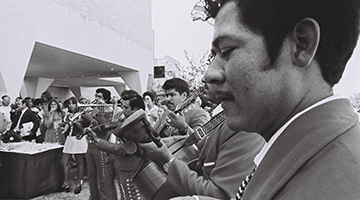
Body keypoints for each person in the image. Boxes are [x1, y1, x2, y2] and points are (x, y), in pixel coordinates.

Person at [185, 0, 360, 199]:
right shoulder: (313, 154)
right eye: (213, 56)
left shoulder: (337, 183)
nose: (209, 74)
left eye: (227, 50)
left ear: (302, 45)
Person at [139, 82, 265, 199]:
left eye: (222, 71)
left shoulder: (242, 125)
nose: (206, 77)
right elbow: (207, 143)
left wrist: (168, 158)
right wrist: (180, 136)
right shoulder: (220, 115)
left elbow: (219, 192)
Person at [85, 89, 144, 200]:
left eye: (125, 108)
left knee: (126, 191)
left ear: (135, 109)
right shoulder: (123, 117)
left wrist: (97, 140)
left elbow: (122, 149)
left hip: (122, 157)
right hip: (111, 154)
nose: (123, 110)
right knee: (107, 182)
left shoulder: (137, 125)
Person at [86, 88, 118, 200]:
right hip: (90, 145)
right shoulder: (92, 110)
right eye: (96, 96)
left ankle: (104, 198)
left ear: (106, 99)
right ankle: (94, 197)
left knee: (103, 176)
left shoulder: (110, 110)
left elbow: (104, 127)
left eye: (99, 97)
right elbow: (85, 125)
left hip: (101, 145)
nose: (96, 99)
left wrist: (98, 113)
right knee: (91, 175)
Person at [60, 97, 89, 194]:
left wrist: (76, 123)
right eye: (69, 104)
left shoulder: (83, 115)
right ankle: (66, 182)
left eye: (73, 103)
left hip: (79, 138)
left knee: (80, 162)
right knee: (64, 161)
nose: (71, 106)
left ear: (77, 104)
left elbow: (84, 129)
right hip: (69, 138)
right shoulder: (67, 114)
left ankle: (78, 184)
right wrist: (64, 124)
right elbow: (65, 126)